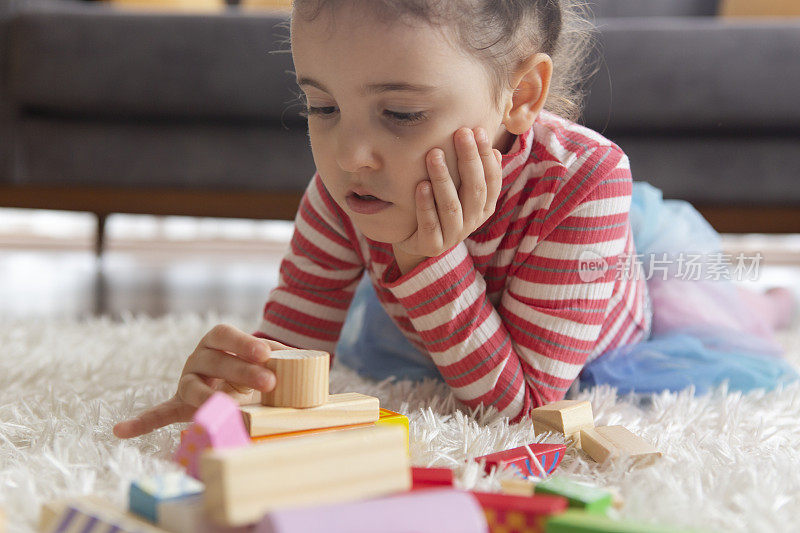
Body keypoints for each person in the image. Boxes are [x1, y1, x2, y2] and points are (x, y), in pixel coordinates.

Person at [113, 0, 796, 440]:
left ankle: (758, 305)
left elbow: (525, 410)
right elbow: (289, 355)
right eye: (322, 107)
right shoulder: (347, 184)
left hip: (593, 328)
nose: (350, 154)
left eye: (402, 114)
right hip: (454, 319)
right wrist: (233, 384)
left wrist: (428, 261)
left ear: (520, 95)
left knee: (705, 313)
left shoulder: (585, 181)